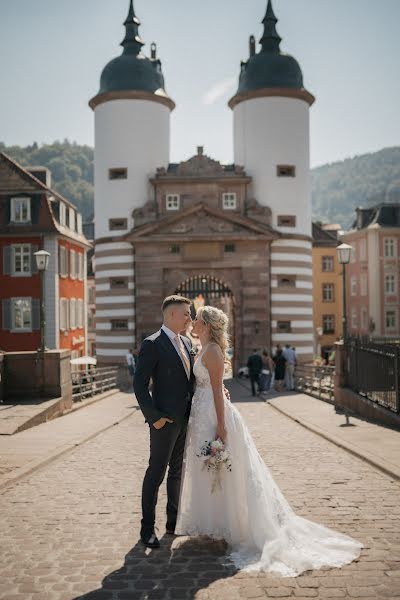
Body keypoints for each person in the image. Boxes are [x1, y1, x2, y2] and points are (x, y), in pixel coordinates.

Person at [176, 306, 362, 576]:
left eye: (197, 319)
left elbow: (216, 388)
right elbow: (211, 384)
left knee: (223, 467)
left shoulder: (214, 350)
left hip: (214, 417)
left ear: (206, 325)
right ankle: (216, 523)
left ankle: (232, 524)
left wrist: (223, 427)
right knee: (209, 466)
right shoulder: (202, 347)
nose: (192, 322)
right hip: (201, 413)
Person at [134, 295, 195, 549]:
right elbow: (139, 384)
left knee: (177, 473)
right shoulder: (153, 344)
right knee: (155, 473)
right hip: (164, 421)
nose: (189, 318)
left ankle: (173, 523)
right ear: (171, 315)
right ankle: (147, 529)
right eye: (185, 314)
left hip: (185, 420)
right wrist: (154, 418)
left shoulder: (187, 341)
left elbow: (190, 381)